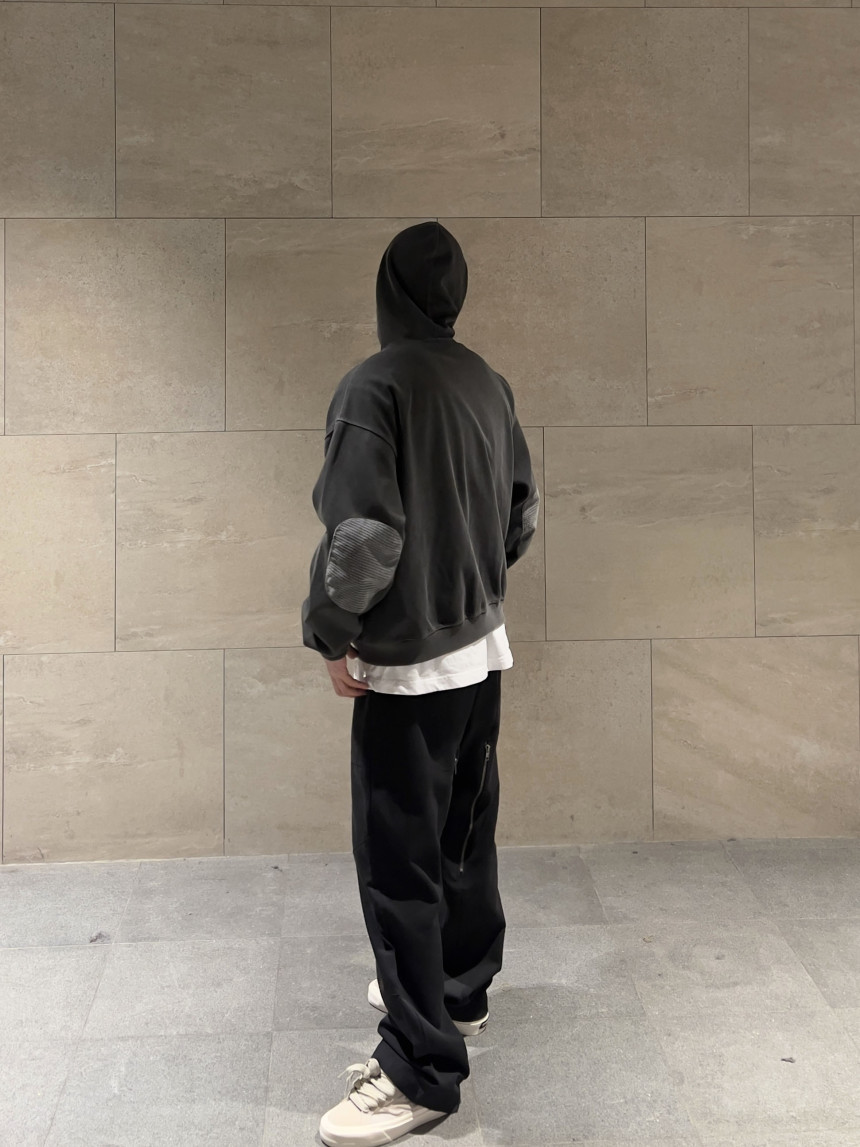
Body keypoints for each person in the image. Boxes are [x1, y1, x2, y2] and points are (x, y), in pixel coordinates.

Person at [301, 220, 540, 1147]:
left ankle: (418, 1071)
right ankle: (461, 992)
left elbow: (363, 535)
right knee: (463, 836)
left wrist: (332, 631)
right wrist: (467, 585)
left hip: (406, 666)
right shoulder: (489, 382)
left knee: (399, 864)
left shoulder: (376, 385)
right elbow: (522, 514)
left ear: (386, 292)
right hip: (481, 648)